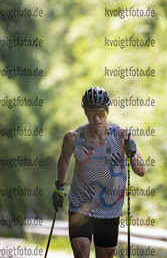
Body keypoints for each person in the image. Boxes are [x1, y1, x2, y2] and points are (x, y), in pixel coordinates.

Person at [52, 86, 146, 258]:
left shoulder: (122, 136)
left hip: (109, 210)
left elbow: (141, 171)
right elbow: (65, 159)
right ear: (85, 112)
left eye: (100, 113)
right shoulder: (73, 138)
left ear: (107, 111)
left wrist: (132, 155)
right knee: (81, 253)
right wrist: (60, 187)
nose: (96, 118)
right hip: (80, 206)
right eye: (91, 113)